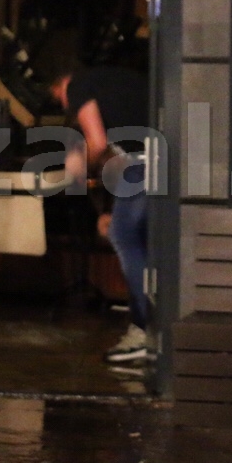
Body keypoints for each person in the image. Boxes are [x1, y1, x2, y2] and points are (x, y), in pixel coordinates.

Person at [50, 61, 152, 364]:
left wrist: (81, 166)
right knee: (142, 236)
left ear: (61, 86)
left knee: (122, 233)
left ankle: (144, 329)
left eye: (59, 99)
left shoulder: (79, 84)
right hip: (163, 155)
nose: (66, 106)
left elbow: (97, 142)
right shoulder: (117, 81)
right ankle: (152, 318)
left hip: (145, 161)